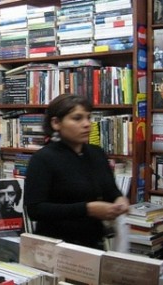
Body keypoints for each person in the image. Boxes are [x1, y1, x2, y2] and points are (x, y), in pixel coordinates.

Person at [24, 95, 129, 250]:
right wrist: (87, 209)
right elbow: (35, 209)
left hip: (94, 245)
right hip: (56, 248)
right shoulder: (43, 159)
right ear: (56, 123)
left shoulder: (97, 153)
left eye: (89, 117)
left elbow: (110, 191)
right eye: (77, 118)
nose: (87, 124)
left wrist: (120, 200)